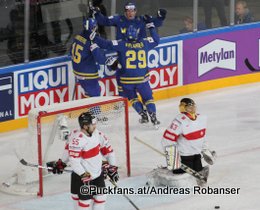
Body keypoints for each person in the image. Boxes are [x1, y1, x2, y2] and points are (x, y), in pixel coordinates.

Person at [87, 20, 161, 127]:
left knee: (132, 98)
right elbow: (156, 40)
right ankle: (153, 116)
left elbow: (105, 44)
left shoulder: (122, 44)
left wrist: (93, 37)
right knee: (148, 98)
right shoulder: (144, 43)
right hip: (142, 79)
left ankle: (142, 114)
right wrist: (151, 27)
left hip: (127, 80)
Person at [48, 112, 119, 210]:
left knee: (101, 197)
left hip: (97, 174)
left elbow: (109, 152)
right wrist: (64, 164)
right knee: (84, 202)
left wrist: (112, 167)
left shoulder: (98, 135)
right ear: (85, 126)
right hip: (82, 177)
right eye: (92, 124)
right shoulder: (77, 139)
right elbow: (74, 160)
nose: (95, 126)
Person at [161, 98, 216, 185]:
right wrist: (172, 158)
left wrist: (205, 150)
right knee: (183, 178)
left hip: (196, 155)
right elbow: (167, 139)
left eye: (193, 106)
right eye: (189, 107)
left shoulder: (201, 118)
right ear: (183, 108)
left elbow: (202, 136)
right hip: (184, 157)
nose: (192, 109)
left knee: (197, 172)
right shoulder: (179, 121)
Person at [70, 18, 118, 98]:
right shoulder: (91, 39)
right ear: (93, 27)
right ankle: (96, 111)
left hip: (77, 71)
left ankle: (91, 110)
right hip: (87, 74)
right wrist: (108, 61)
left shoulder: (78, 36)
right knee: (95, 95)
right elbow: (99, 58)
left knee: (89, 93)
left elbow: (71, 52)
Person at [90, 2, 167, 40]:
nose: (130, 13)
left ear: (135, 11)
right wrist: (97, 13)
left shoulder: (143, 19)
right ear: (125, 12)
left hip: (139, 49)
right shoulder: (118, 19)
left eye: (132, 11)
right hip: (123, 50)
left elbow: (157, 23)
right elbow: (103, 21)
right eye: (128, 11)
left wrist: (161, 17)